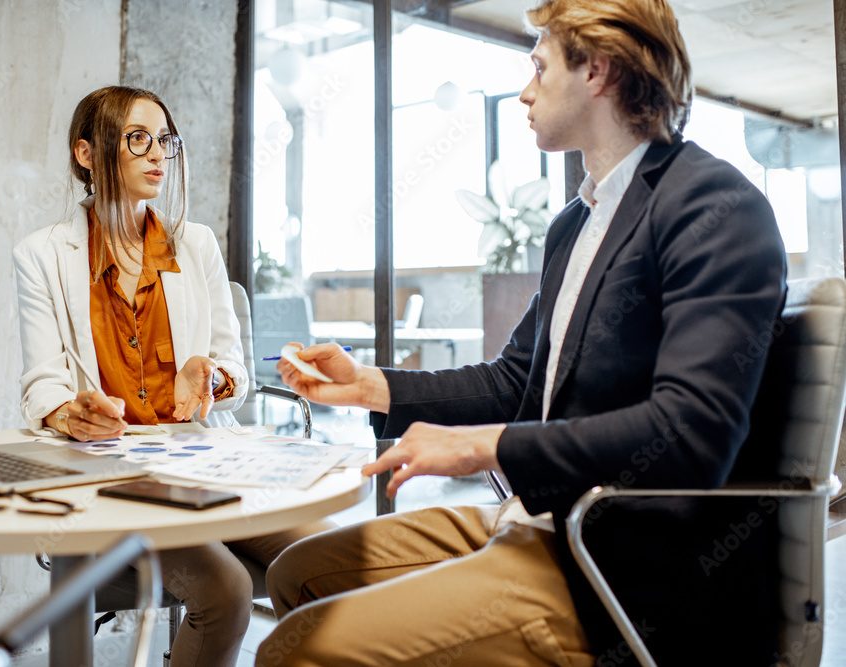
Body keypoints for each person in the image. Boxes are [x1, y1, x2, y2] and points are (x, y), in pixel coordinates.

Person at [257, 1, 787, 665]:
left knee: (292, 650)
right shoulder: (577, 222)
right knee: (294, 573)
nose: (525, 90)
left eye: (539, 67)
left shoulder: (712, 205)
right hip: (539, 521)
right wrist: (368, 384)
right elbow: (515, 379)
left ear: (596, 70)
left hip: (620, 566)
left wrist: (485, 446)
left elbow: (692, 430)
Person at [13, 85, 327, 667]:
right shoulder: (43, 255)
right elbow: (41, 384)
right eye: (138, 139)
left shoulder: (196, 244)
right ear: (87, 154)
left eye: (165, 140)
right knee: (226, 591)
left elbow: (234, 373)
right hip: (112, 477)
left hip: (202, 463)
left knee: (332, 554)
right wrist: (66, 412)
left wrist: (211, 378)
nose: (158, 155)